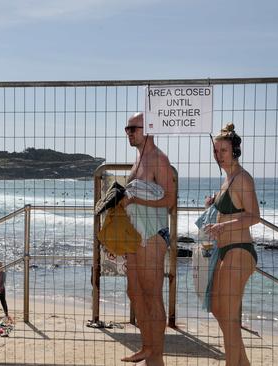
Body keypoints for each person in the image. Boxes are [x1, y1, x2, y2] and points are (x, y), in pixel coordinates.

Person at [119, 112, 176, 365]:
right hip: (135, 234)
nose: (129, 133)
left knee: (152, 294)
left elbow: (169, 201)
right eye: (127, 129)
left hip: (153, 234)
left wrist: (135, 199)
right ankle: (146, 346)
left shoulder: (159, 160)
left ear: (148, 128)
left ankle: (157, 356)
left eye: (133, 128)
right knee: (134, 292)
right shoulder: (138, 160)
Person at [204, 123, 260, 366]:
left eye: (223, 151)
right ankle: (243, 363)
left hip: (239, 250)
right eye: (216, 151)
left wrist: (223, 226)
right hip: (225, 249)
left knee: (227, 314)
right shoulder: (227, 179)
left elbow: (254, 216)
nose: (218, 155)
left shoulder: (242, 178)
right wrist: (214, 206)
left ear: (235, 151)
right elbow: (230, 210)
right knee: (218, 309)